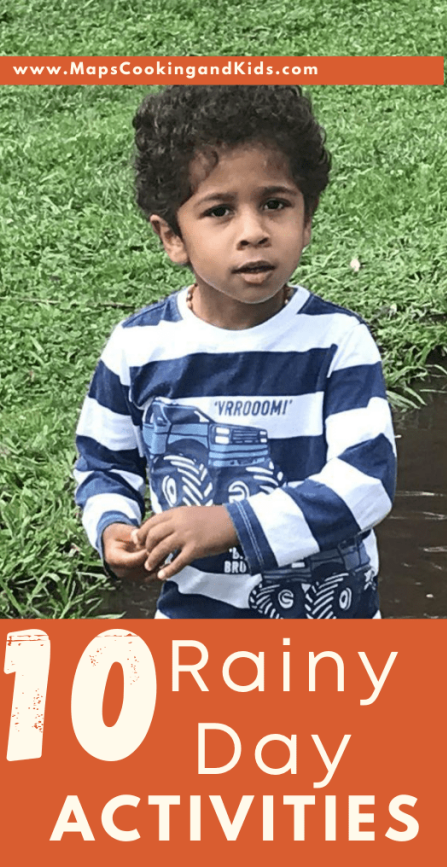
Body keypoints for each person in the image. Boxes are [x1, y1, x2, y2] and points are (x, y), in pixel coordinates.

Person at [75, 85, 396, 619]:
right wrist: (112, 527)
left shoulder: (337, 343)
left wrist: (229, 523)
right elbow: (103, 465)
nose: (253, 232)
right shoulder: (138, 349)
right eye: (220, 210)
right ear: (172, 236)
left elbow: (365, 484)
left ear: (307, 218)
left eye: (275, 204)